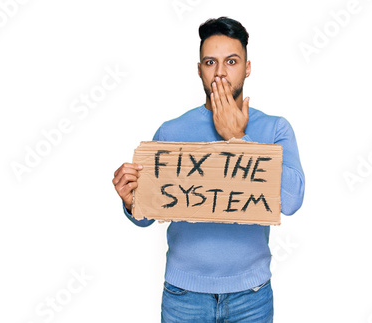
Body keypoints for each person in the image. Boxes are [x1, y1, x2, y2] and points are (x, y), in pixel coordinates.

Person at [112, 16, 305, 322]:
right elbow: (147, 215)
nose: (220, 72)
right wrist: (130, 201)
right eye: (210, 62)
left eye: (231, 61)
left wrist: (237, 139)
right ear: (199, 69)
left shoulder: (274, 129)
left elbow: (292, 201)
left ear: (247, 67)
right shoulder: (171, 131)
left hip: (251, 297)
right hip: (183, 296)